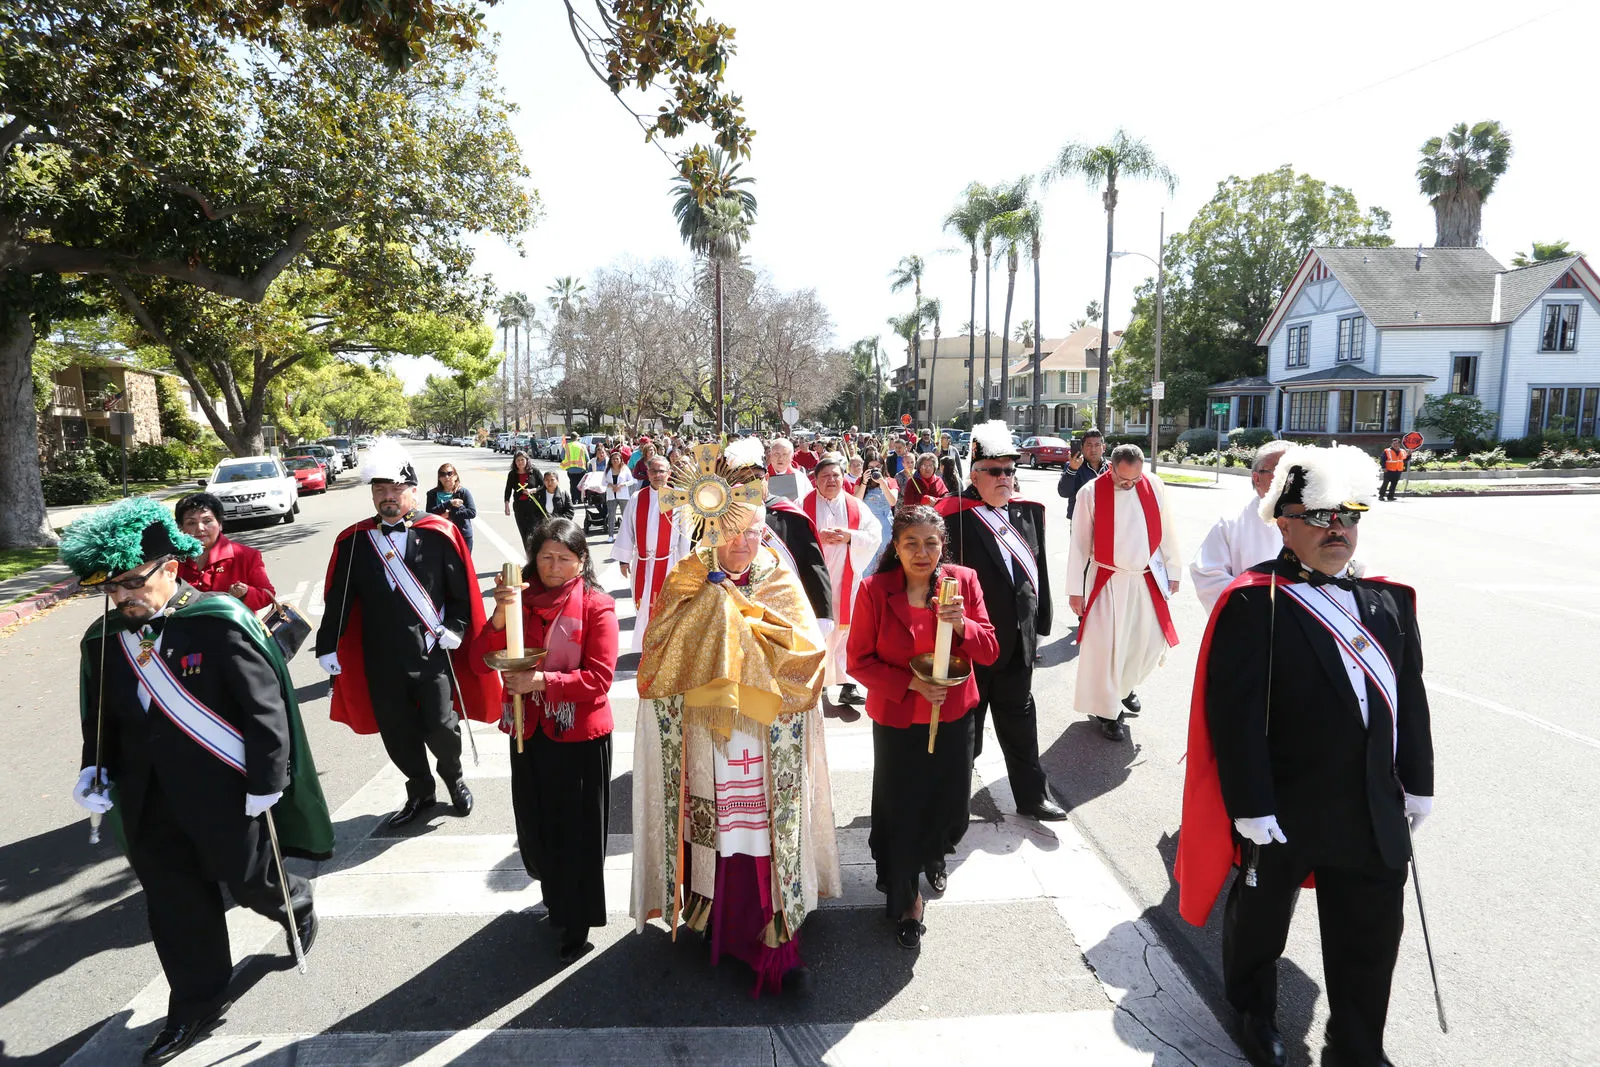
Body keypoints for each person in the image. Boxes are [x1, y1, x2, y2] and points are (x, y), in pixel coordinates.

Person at [1176, 444, 1434, 1067]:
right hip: (1284, 804)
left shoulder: (1389, 602)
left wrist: (1418, 783)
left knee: (1371, 935)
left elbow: (1411, 699)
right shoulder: (1253, 601)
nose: (1336, 530)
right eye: (1319, 516)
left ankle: (1356, 1044)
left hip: (1372, 804)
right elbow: (1233, 716)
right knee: (1261, 924)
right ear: (1282, 521)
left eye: (1348, 516)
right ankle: (1252, 1009)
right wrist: (1250, 805)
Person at [61, 498, 332, 1065]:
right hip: (147, 796)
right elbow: (103, 713)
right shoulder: (105, 638)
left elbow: (265, 710)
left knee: (251, 881)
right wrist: (95, 766)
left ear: (171, 568)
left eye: (133, 583)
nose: (122, 597)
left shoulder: (215, 621)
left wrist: (267, 779)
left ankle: (294, 901)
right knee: (174, 902)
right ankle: (195, 1003)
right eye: (111, 588)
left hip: (226, 789)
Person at [631, 447, 839, 996]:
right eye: (732, 530)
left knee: (760, 832)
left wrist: (742, 616)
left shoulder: (776, 576)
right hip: (710, 734)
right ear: (706, 529)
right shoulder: (686, 578)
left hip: (766, 731)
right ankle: (714, 920)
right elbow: (657, 659)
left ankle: (774, 938)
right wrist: (712, 605)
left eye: (754, 530)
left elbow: (808, 658)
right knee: (719, 829)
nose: (745, 541)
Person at [316, 439, 502, 827]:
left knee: (441, 726)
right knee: (397, 732)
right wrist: (327, 644)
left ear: (412, 493)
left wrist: (456, 628)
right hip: (380, 657)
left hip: (431, 652)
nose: (387, 498)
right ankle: (420, 790)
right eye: (380, 491)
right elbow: (340, 598)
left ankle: (453, 779)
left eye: (395, 491)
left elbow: (461, 591)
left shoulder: (438, 533)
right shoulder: (355, 542)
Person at [847, 505, 998, 948]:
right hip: (897, 721)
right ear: (895, 546)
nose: (921, 552)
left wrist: (962, 624)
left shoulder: (962, 583)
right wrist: (910, 683)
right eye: (911, 542)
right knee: (902, 811)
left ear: (942, 546)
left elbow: (989, 650)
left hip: (953, 717)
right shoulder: (875, 590)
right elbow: (858, 660)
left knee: (951, 808)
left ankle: (935, 852)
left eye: (931, 543)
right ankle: (907, 898)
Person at [480, 519, 618, 962]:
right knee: (537, 825)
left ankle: (576, 921)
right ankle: (553, 893)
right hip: (529, 730)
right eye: (545, 557)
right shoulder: (518, 601)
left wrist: (541, 680)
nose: (554, 566)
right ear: (533, 558)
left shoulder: (597, 605)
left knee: (574, 834)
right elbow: (480, 659)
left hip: (578, 736)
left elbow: (599, 678)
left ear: (581, 562)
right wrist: (501, 614)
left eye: (564, 558)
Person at [936, 421, 1065, 821]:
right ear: (974, 473)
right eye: (994, 470)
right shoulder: (952, 514)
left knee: (1021, 724)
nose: (1004, 478)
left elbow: (1037, 572)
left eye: (1010, 470)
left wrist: (1040, 625)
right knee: (964, 735)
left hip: (1017, 642)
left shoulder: (1028, 512)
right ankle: (947, 808)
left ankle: (1031, 796)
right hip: (971, 644)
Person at [1066, 443, 1181, 742]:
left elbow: (1168, 530)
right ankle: (1107, 711)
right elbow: (1078, 546)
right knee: (1106, 648)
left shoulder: (1153, 485)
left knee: (1146, 643)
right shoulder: (1090, 493)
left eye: (1135, 480)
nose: (1129, 485)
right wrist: (1075, 591)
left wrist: (1174, 571)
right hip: (1106, 580)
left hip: (1144, 579)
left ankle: (1125, 685)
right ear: (1111, 468)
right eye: (1123, 480)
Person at [801, 453, 882, 707]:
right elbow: (791, 538)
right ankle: (820, 684)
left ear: (843, 478)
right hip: (814, 579)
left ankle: (848, 685)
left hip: (848, 579)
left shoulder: (856, 506)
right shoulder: (803, 505)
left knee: (849, 630)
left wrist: (851, 537)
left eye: (836, 475)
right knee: (819, 628)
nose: (831, 480)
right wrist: (816, 537)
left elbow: (874, 535)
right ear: (815, 480)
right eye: (825, 476)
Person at [1189, 441, 1292, 616]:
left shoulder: (1323, 520)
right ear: (1257, 478)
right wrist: (1255, 605)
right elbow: (1208, 575)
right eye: (1281, 472)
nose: (1290, 479)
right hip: (1255, 623)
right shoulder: (1231, 524)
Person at [610, 454, 694, 655]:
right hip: (643, 563)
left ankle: (668, 648)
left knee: (669, 606)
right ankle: (646, 649)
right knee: (643, 607)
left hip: (670, 561)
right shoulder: (638, 498)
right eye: (653, 471)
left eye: (661, 471)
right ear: (647, 473)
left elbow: (686, 534)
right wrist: (624, 559)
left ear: (669, 473)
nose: (657, 475)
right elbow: (627, 530)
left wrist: (684, 564)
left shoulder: (680, 499)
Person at [174, 492, 276, 611]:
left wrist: (245, 593)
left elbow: (268, 595)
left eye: (207, 521)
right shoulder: (172, 559)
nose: (200, 528)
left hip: (234, 626)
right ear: (181, 528)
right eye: (191, 523)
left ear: (220, 523)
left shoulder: (246, 555)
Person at [426, 462, 478, 554]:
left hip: (462, 534)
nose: (446, 477)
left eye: (450, 473)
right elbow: (429, 513)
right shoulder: (432, 494)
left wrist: (450, 514)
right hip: (441, 534)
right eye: (443, 474)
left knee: (464, 566)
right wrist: (449, 503)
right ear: (439, 478)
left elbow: (472, 512)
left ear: (455, 476)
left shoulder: (463, 492)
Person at [1057, 427, 1107, 521]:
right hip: (1080, 520)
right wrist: (1072, 469)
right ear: (1082, 447)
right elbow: (1064, 492)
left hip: (1104, 519)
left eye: (1097, 445)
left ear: (1103, 447)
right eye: (1089, 445)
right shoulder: (1074, 465)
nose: (1093, 449)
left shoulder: (1110, 468)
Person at [855, 447, 899, 545]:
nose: (875, 470)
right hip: (867, 525)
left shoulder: (890, 481)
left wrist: (883, 483)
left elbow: (892, 502)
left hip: (885, 526)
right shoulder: (860, 481)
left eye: (878, 466)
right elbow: (857, 502)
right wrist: (864, 483)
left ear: (883, 466)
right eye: (871, 468)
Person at [504, 451, 541, 545]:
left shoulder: (534, 471)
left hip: (534, 507)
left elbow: (543, 486)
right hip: (519, 507)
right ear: (514, 462)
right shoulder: (512, 474)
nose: (520, 462)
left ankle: (535, 556)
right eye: (518, 460)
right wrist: (506, 506)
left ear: (527, 460)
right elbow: (508, 490)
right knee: (524, 534)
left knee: (533, 533)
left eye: (522, 460)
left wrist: (533, 490)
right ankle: (529, 557)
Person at [599, 449, 636, 537]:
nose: (615, 461)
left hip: (623, 495)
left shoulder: (625, 469)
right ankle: (611, 535)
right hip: (611, 496)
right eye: (613, 459)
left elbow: (631, 481)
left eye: (617, 459)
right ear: (610, 460)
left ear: (620, 460)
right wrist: (611, 485)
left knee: (625, 516)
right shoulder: (607, 470)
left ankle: (627, 535)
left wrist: (622, 484)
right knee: (611, 516)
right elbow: (603, 482)